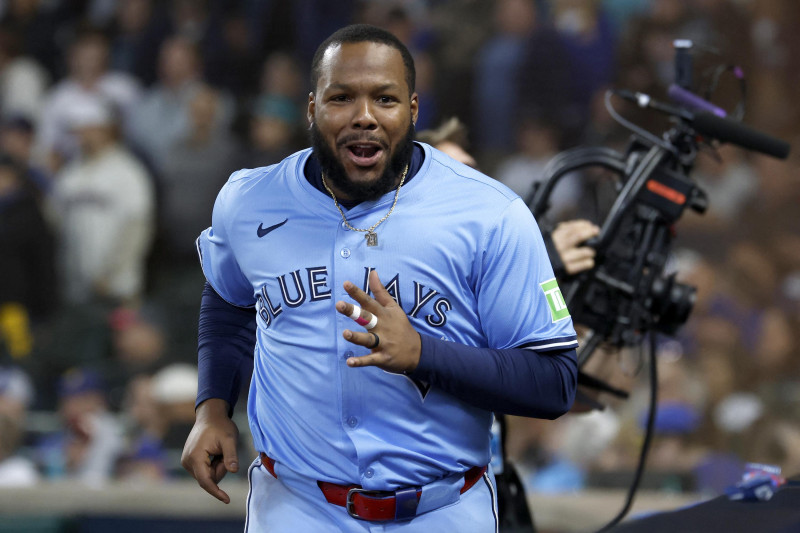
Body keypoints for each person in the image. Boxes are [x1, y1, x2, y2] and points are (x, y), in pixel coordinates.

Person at [181, 24, 578, 531]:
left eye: (384, 99)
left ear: (413, 110)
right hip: (296, 505)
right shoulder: (248, 200)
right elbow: (228, 296)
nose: (364, 117)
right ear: (311, 108)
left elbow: (554, 382)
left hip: (442, 509)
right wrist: (212, 408)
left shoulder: (490, 213)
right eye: (342, 97)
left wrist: (423, 355)